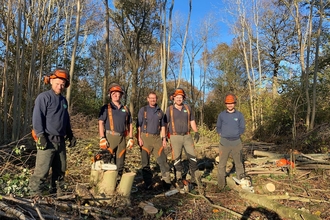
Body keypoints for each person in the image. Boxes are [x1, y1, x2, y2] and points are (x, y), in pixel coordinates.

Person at [29, 68, 76, 196]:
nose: (60, 86)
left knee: (60, 171)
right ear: (51, 81)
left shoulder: (63, 101)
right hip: (47, 140)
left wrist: (70, 134)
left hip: (60, 141)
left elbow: (65, 119)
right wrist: (40, 135)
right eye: (57, 83)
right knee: (41, 171)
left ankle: (57, 196)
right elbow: (37, 117)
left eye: (62, 84)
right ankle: (35, 196)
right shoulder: (44, 97)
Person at [165, 88, 200, 191]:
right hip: (174, 136)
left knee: (192, 157)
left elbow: (192, 120)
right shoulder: (170, 109)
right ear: (174, 98)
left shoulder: (187, 108)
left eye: (181, 97)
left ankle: (195, 178)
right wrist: (164, 137)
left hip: (187, 136)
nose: (179, 99)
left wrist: (196, 131)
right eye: (177, 97)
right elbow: (165, 123)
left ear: (183, 98)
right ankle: (179, 178)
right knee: (176, 158)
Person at [137, 92, 171, 190]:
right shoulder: (143, 110)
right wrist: (139, 138)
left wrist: (164, 138)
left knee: (163, 160)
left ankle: (166, 183)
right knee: (145, 162)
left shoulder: (160, 112)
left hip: (157, 138)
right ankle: (148, 184)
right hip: (145, 138)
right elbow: (138, 125)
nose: (153, 100)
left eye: (154, 98)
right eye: (151, 98)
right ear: (148, 99)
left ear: (156, 99)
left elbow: (163, 126)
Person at [98, 83, 133, 178]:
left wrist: (131, 138)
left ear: (121, 95)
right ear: (110, 95)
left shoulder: (125, 109)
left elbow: (130, 123)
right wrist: (102, 138)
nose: (116, 95)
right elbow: (101, 122)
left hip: (122, 138)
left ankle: (118, 182)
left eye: (118, 94)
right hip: (110, 137)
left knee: (120, 162)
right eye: (114, 94)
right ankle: (104, 184)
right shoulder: (106, 108)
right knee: (106, 161)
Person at [216, 93, 246, 189]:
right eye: (228, 103)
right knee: (222, 164)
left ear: (234, 104)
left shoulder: (239, 115)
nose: (230, 105)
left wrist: (238, 134)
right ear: (225, 104)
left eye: (232, 103)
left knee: (239, 164)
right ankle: (221, 185)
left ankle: (241, 182)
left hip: (236, 142)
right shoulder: (221, 115)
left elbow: (242, 127)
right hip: (224, 142)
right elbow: (218, 127)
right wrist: (221, 134)